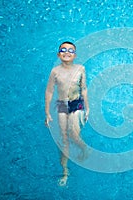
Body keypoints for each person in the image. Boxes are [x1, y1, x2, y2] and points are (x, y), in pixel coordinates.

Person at [45, 41, 90, 186]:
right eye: (63, 50)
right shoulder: (55, 72)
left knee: (74, 135)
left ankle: (84, 148)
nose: (67, 52)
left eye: (70, 50)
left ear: (75, 55)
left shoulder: (80, 69)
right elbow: (49, 91)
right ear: (58, 54)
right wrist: (47, 112)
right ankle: (65, 172)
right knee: (64, 139)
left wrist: (87, 108)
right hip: (62, 104)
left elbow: (83, 89)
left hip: (76, 103)